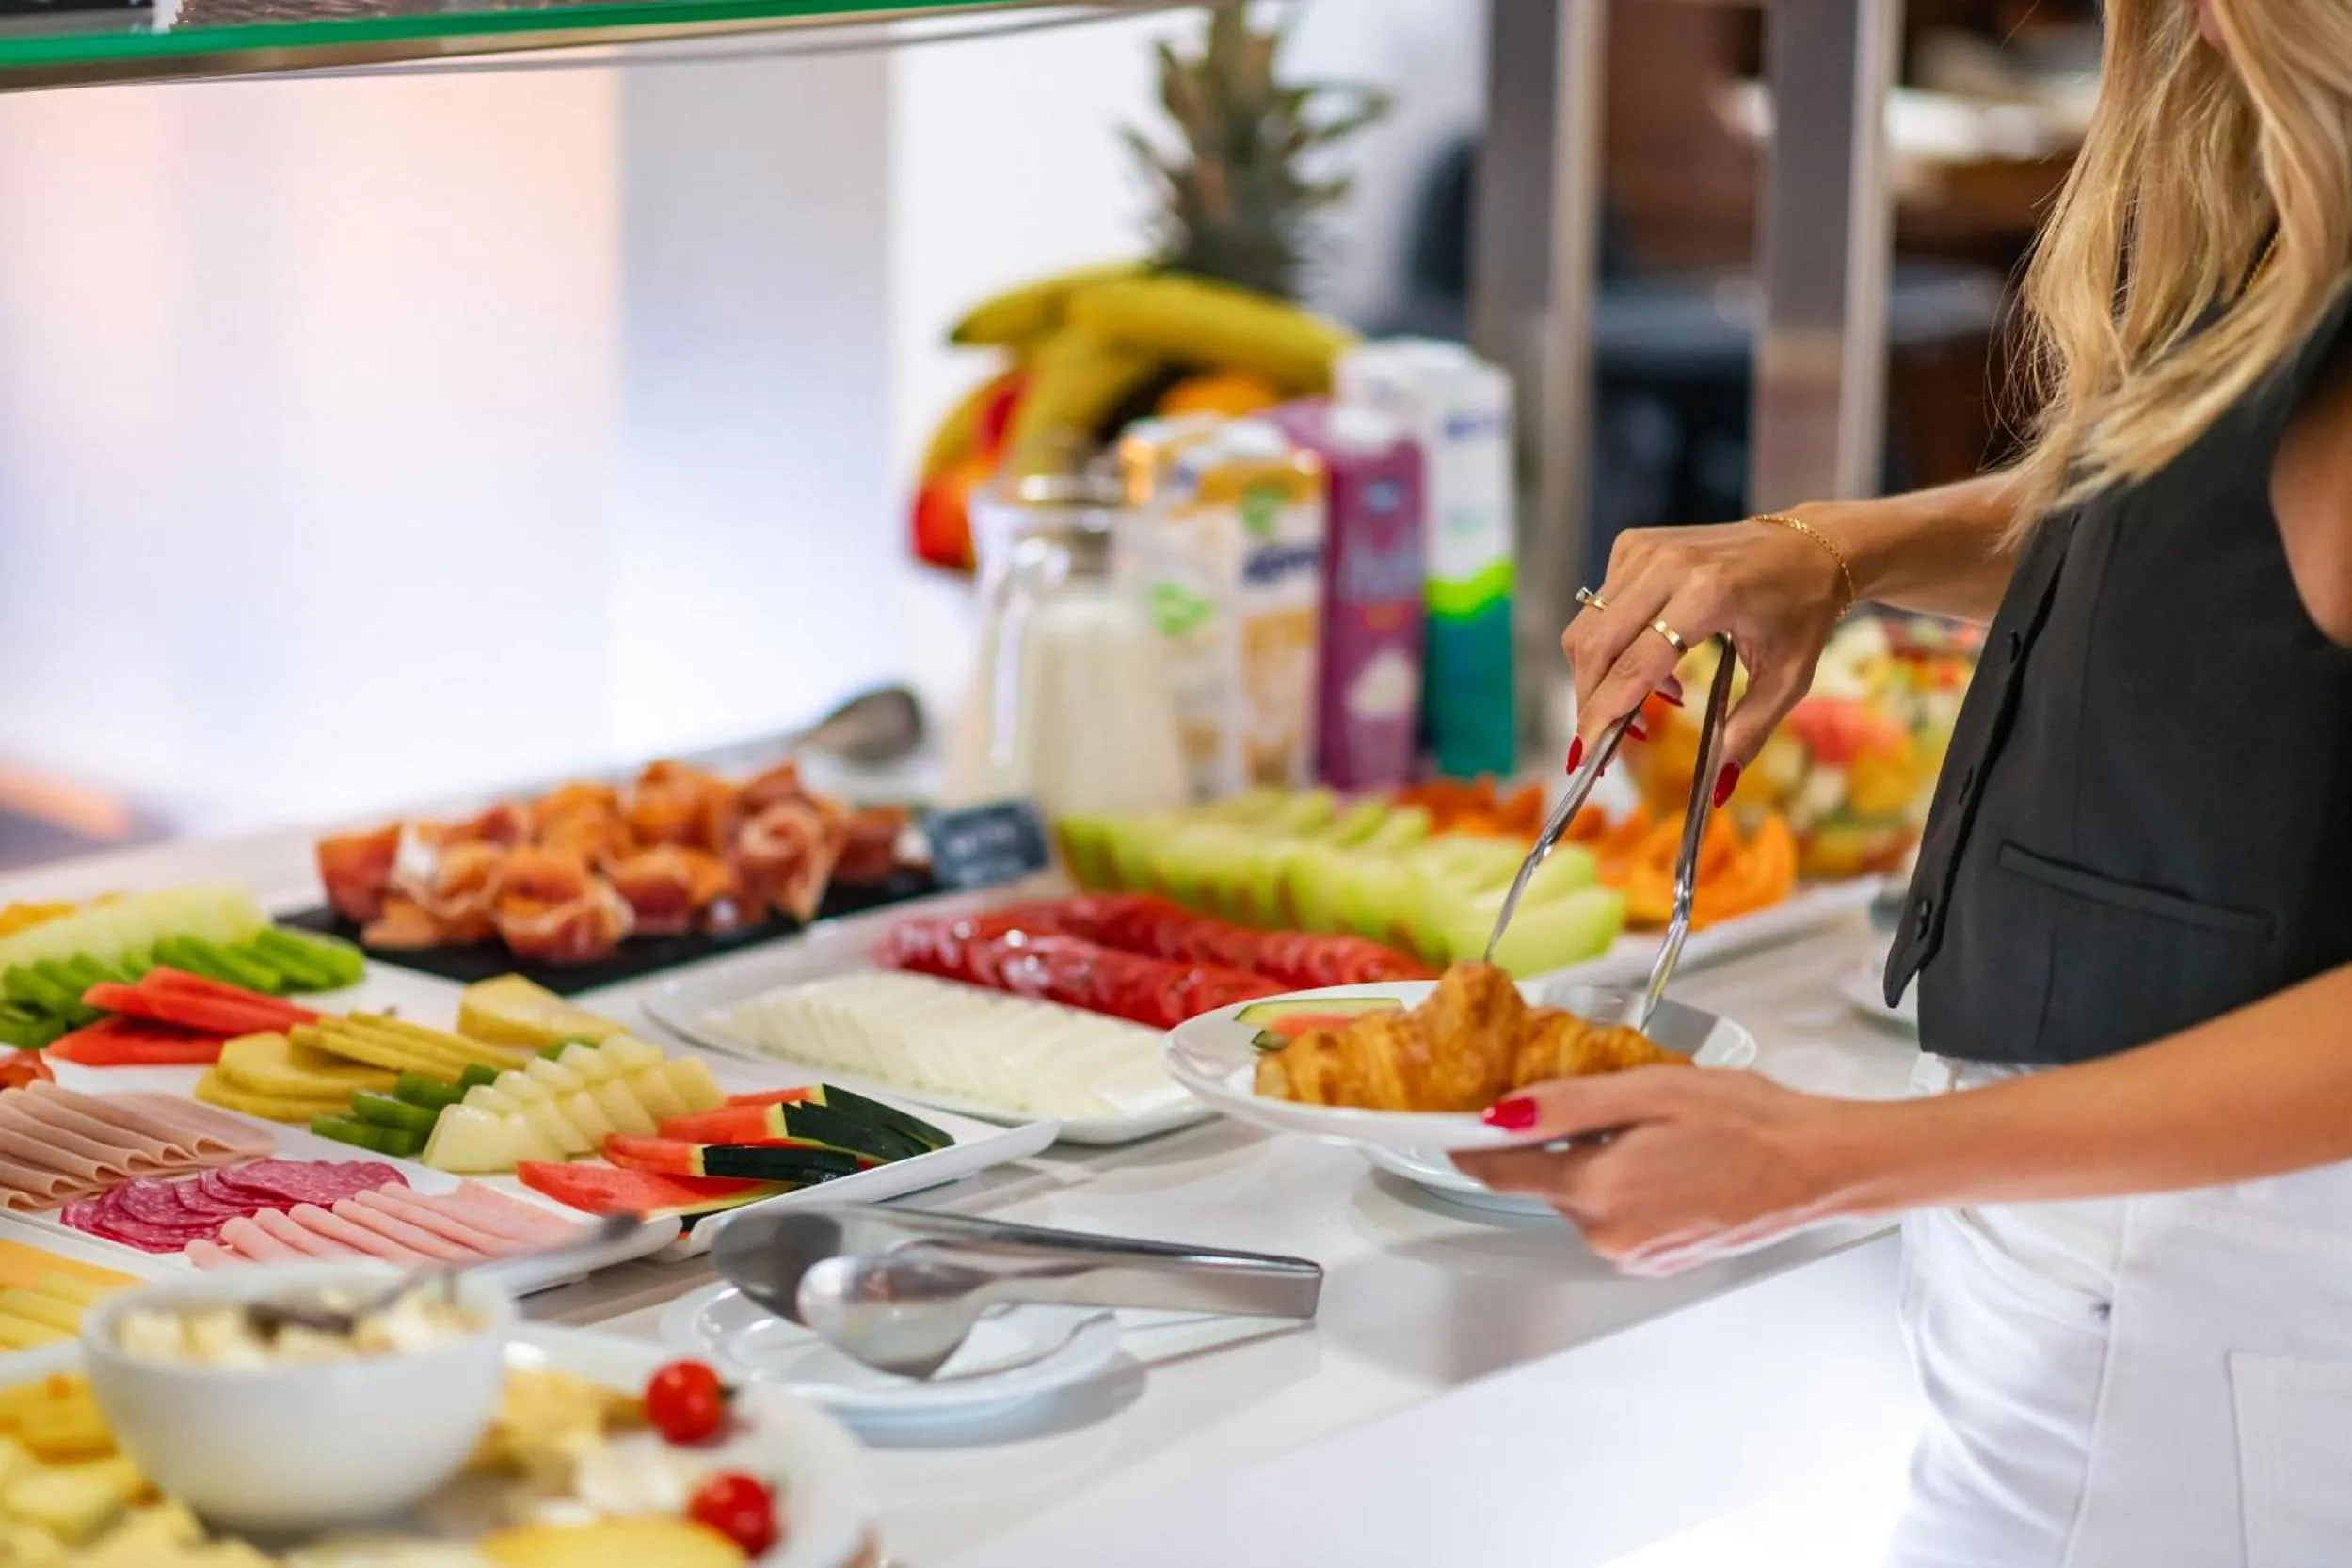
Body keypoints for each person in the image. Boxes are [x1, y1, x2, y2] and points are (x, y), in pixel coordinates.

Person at [1453, 2, 2352, 1563]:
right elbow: (2191, 523)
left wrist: (1828, 1156)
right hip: (2111, 1272)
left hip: (2210, 1298)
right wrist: (1836, 551)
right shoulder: (2285, 210)